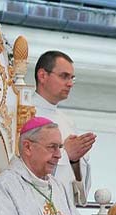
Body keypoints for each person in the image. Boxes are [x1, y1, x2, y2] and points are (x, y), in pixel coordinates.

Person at [34, 50, 95, 205]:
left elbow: (79, 192)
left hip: (64, 208)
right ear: (42, 76)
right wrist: (66, 153)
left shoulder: (67, 122)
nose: (70, 84)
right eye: (64, 76)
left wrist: (75, 161)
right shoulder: (24, 113)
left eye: (72, 78)